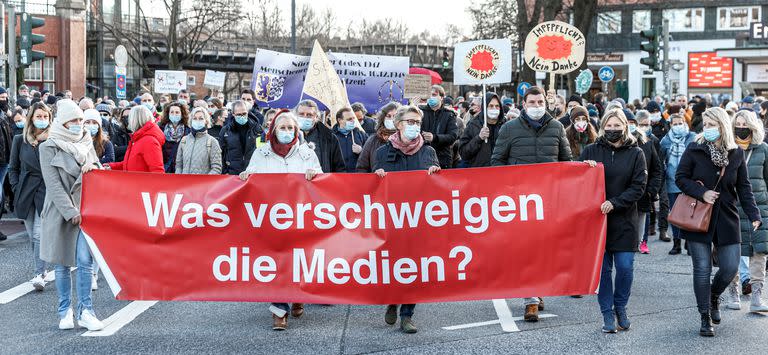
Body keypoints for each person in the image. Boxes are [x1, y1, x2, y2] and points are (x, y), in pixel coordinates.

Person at [675, 107, 761, 337]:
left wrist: (754, 214)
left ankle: (713, 295)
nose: (707, 130)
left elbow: (744, 187)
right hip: (697, 215)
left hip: (726, 216)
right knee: (702, 269)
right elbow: (680, 177)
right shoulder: (694, 148)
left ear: (722, 126)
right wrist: (700, 193)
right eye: (705, 125)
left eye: (712, 125)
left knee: (730, 266)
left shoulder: (736, 154)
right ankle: (704, 315)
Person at [491, 86, 571, 321]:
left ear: (545, 104)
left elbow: (567, 162)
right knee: (525, 251)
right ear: (523, 105)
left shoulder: (557, 128)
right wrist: (511, 184)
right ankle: (531, 300)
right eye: (532, 103)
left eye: (540, 103)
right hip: (519, 202)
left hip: (548, 200)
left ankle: (539, 288)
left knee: (545, 250)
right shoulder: (509, 128)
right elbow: (497, 162)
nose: (536, 107)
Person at [239, 109, 321, 331]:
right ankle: (279, 310)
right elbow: (250, 179)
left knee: (298, 261)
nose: (286, 131)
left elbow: (322, 183)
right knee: (276, 263)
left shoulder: (307, 154)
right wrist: (246, 177)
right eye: (282, 127)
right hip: (272, 218)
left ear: (296, 131)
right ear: (273, 130)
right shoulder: (261, 154)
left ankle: (298, 295)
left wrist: (315, 175)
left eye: (290, 128)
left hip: (300, 216)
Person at [373, 105, 440, 334]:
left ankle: (407, 315)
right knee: (394, 265)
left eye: (417, 122)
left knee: (413, 267)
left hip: (418, 219)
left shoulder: (428, 152)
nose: (414, 126)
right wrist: (377, 178)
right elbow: (371, 186)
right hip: (392, 219)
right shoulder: (382, 152)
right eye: (410, 122)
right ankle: (393, 300)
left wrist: (435, 173)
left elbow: (438, 188)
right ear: (398, 124)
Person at [38, 99, 104, 331]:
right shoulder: (48, 146)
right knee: (62, 263)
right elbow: (53, 184)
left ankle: (86, 311)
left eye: (80, 119)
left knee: (85, 262)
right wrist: (70, 212)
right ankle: (65, 311)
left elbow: (100, 173)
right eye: (73, 120)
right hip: (61, 212)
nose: (78, 124)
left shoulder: (86, 141)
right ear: (63, 122)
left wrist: (93, 168)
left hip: (86, 210)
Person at [581, 108, 647, 333]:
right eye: (608, 126)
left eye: (617, 126)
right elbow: (576, 181)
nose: (612, 129)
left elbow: (639, 187)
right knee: (603, 271)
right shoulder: (591, 150)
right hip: (597, 221)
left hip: (625, 220)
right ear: (602, 127)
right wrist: (583, 169)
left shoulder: (636, 153)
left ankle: (620, 306)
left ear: (625, 127)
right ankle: (607, 313)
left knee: (625, 268)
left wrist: (616, 202)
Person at [721, 110, 768, 313]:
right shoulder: (727, 149)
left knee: (759, 252)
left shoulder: (763, 149)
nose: (741, 127)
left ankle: (757, 296)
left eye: (745, 123)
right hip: (732, 207)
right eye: (737, 124)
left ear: (753, 126)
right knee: (733, 251)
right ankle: (733, 292)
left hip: (760, 207)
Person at [9, 102, 52, 290]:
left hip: (46, 190)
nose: (42, 120)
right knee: (31, 235)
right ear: (31, 119)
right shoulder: (20, 140)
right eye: (39, 117)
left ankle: (38, 273)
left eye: (45, 117)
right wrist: (16, 186)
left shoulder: (53, 140)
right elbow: (13, 167)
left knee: (38, 235)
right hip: (25, 191)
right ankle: (41, 269)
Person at [660, 113, 697, 255]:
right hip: (672, 181)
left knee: (689, 213)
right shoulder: (665, 141)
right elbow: (661, 160)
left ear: (685, 122)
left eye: (680, 123)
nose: (678, 126)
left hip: (690, 181)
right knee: (675, 214)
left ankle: (688, 241)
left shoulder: (692, 138)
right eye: (674, 124)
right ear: (670, 125)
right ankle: (677, 243)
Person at [626, 110, 662, 255]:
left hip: (643, 191)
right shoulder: (617, 142)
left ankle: (642, 241)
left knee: (642, 218)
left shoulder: (647, 142)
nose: (632, 126)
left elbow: (657, 168)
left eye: (633, 123)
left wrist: (652, 190)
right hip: (623, 193)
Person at [104, 106, 165, 173]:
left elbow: (157, 171)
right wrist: (111, 166)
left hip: (141, 182)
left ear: (135, 119)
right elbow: (130, 163)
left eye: (130, 117)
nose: (128, 121)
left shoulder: (149, 141)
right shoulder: (138, 138)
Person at [458, 92, 508, 167]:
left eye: (497, 106)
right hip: (480, 172)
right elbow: (464, 153)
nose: (494, 108)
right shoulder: (473, 125)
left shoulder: (506, 125)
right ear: (484, 107)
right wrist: (478, 138)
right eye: (491, 106)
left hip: (501, 171)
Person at [295, 99, 346, 173]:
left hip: (322, 182)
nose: (305, 117)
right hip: (296, 182)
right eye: (301, 114)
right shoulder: (289, 136)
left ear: (316, 117)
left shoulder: (329, 137)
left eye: (309, 115)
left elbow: (339, 167)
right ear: (296, 115)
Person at [420, 85, 459, 169]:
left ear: (441, 97)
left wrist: (435, 137)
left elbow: (453, 136)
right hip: (423, 156)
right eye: (429, 95)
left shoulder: (449, 114)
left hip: (443, 159)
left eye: (434, 95)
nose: (431, 97)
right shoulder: (421, 112)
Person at [175, 107, 222, 174]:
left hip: (203, 184)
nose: (197, 120)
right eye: (195, 118)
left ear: (206, 121)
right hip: (184, 183)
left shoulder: (212, 141)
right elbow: (179, 165)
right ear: (191, 120)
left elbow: (216, 168)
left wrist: (204, 183)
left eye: (201, 118)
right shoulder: (184, 140)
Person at [356, 102, 399, 173]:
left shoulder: (405, 140)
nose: (392, 119)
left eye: (395, 116)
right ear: (383, 118)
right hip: (377, 183)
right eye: (388, 116)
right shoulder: (373, 140)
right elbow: (361, 167)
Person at [220, 101, 260, 175]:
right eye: (238, 114)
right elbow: (221, 153)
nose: (242, 116)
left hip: (252, 173)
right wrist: (225, 171)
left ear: (247, 112)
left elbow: (261, 150)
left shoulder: (256, 128)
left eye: (244, 113)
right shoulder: (225, 130)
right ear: (233, 114)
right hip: (232, 174)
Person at [333, 107, 368, 172]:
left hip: (357, 175)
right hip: (338, 177)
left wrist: (361, 151)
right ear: (340, 120)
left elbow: (371, 154)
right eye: (349, 119)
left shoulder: (361, 134)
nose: (353, 121)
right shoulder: (331, 136)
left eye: (353, 118)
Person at [158, 102, 191, 173]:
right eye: (172, 112)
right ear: (168, 114)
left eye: (177, 112)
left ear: (182, 115)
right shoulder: (161, 129)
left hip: (182, 168)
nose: (174, 114)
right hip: (165, 167)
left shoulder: (188, 131)